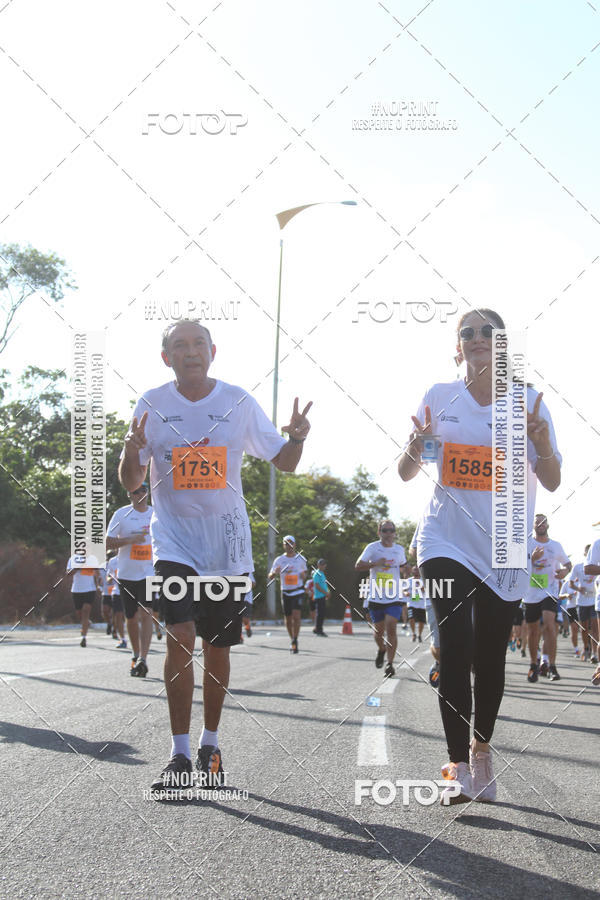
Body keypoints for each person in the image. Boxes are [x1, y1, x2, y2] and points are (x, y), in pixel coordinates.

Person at [119, 319, 311, 791]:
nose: (191, 351)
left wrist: (298, 438)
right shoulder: (152, 404)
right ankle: (179, 754)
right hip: (174, 543)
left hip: (228, 547)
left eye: (198, 344)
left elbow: (284, 462)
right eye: (180, 345)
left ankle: (210, 744)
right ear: (166, 357)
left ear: (212, 351)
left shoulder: (237, 402)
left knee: (216, 647)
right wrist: (130, 451)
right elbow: (131, 481)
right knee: (180, 636)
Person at [398, 308, 562, 804]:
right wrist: (418, 446)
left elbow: (552, 479)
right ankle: (459, 765)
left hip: (505, 542)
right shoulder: (439, 396)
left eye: (488, 332)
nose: (477, 338)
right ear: (457, 346)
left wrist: (541, 444)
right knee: (455, 647)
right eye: (467, 332)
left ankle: (482, 749)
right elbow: (410, 470)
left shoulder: (528, 402)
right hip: (445, 538)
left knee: (489, 655)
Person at [106, 484, 155, 677]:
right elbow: (107, 542)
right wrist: (130, 540)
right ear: (129, 494)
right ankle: (135, 654)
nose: (140, 494)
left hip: (149, 572)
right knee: (132, 618)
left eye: (144, 490)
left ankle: (143, 657)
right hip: (127, 574)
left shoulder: (156, 514)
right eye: (136, 491)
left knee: (147, 612)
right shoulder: (121, 514)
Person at [355, 520, 409, 678]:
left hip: (394, 596)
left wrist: (406, 574)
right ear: (379, 532)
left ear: (395, 533)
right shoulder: (372, 548)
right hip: (376, 595)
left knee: (391, 627)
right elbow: (358, 565)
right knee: (378, 632)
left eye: (391, 530)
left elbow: (404, 566)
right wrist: (374, 564)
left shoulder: (399, 549)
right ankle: (381, 649)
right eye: (385, 530)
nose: (388, 533)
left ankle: (390, 664)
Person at [522, 515, 570, 682]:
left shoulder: (555, 546)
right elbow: (516, 564)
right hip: (530, 593)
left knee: (550, 625)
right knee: (533, 630)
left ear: (548, 525)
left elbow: (568, 564)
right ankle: (533, 665)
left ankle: (552, 665)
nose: (541, 524)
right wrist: (531, 559)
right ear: (533, 525)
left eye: (543, 521)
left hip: (550, 591)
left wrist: (565, 571)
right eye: (537, 522)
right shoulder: (527, 544)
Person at [269, 536, 308, 653]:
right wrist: (274, 573)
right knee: (288, 618)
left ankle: (295, 639)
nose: (289, 546)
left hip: (298, 590)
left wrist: (303, 575)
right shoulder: (279, 560)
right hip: (285, 591)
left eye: (291, 543)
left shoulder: (300, 559)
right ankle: (292, 639)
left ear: (294, 545)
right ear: (283, 545)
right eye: (286, 543)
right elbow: (270, 576)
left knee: (296, 616)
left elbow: (305, 575)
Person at [66, 558, 101, 647]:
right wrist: (78, 567)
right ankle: (86, 623)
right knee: (79, 613)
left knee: (86, 610)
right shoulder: (73, 559)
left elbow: (97, 574)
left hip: (90, 589)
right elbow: (68, 574)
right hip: (76, 590)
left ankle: (84, 637)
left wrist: (98, 585)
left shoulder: (92, 559)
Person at [106, 554, 127, 648]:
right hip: (117, 592)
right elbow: (108, 577)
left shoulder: (130, 557)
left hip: (131, 592)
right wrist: (111, 578)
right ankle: (122, 639)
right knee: (118, 615)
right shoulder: (112, 561)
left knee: (131, 616)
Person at [406, 565, 426, 643]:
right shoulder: (409, 580)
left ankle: (419, 635)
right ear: (412, 571)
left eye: (417, 570)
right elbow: (403, 590)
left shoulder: (423, 580)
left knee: (421, 621)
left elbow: (426, 590)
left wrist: (420, 585)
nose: (416, 571)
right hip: (411, 603)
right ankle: (414, 633)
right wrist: (405, 593)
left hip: (421, 604)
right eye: (414, 570)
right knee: (411, 618)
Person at [312, 559, 330, 636]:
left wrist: (328, 592)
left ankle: (316, 628)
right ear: (318, 565)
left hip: (323, 596)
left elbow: (324, 584)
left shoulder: (322, 573)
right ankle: (319, 630)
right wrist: (325, 593)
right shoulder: (317, 574)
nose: (323, 566)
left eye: (324, 564)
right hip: (319, 596)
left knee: (321, 613)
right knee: (320, 614)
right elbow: (317, 586)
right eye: (322, 564)